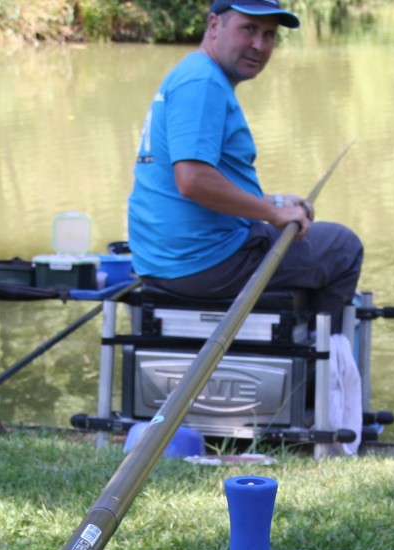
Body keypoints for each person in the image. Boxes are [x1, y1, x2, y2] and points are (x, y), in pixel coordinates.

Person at [127, 0, 363, 336]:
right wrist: (272, 213)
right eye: (248, 29)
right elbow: (192, 181)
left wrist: (277, 202)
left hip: (166, 258)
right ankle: (326, 367)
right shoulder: (203, 83)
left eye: (269, 34)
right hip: (203, 262)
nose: (259, 45)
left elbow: (208, 179)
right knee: (342, 247)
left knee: (311, 237)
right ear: (214, 26)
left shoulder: (193, 74)